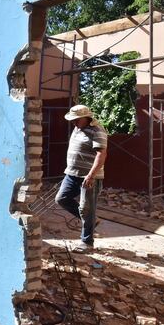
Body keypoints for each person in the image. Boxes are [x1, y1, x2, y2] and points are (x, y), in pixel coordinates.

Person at [55, 105, 108, 250]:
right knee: (61, 199)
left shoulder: (97, 131)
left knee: (87, 208)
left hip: (90, 177)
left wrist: (91, 176)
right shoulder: (77, 128)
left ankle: (87, 242)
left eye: (77, 119)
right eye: (73, 120)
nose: (74, 122)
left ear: (87, 118)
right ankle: (91, 220)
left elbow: (101, 155)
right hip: (72, 174)